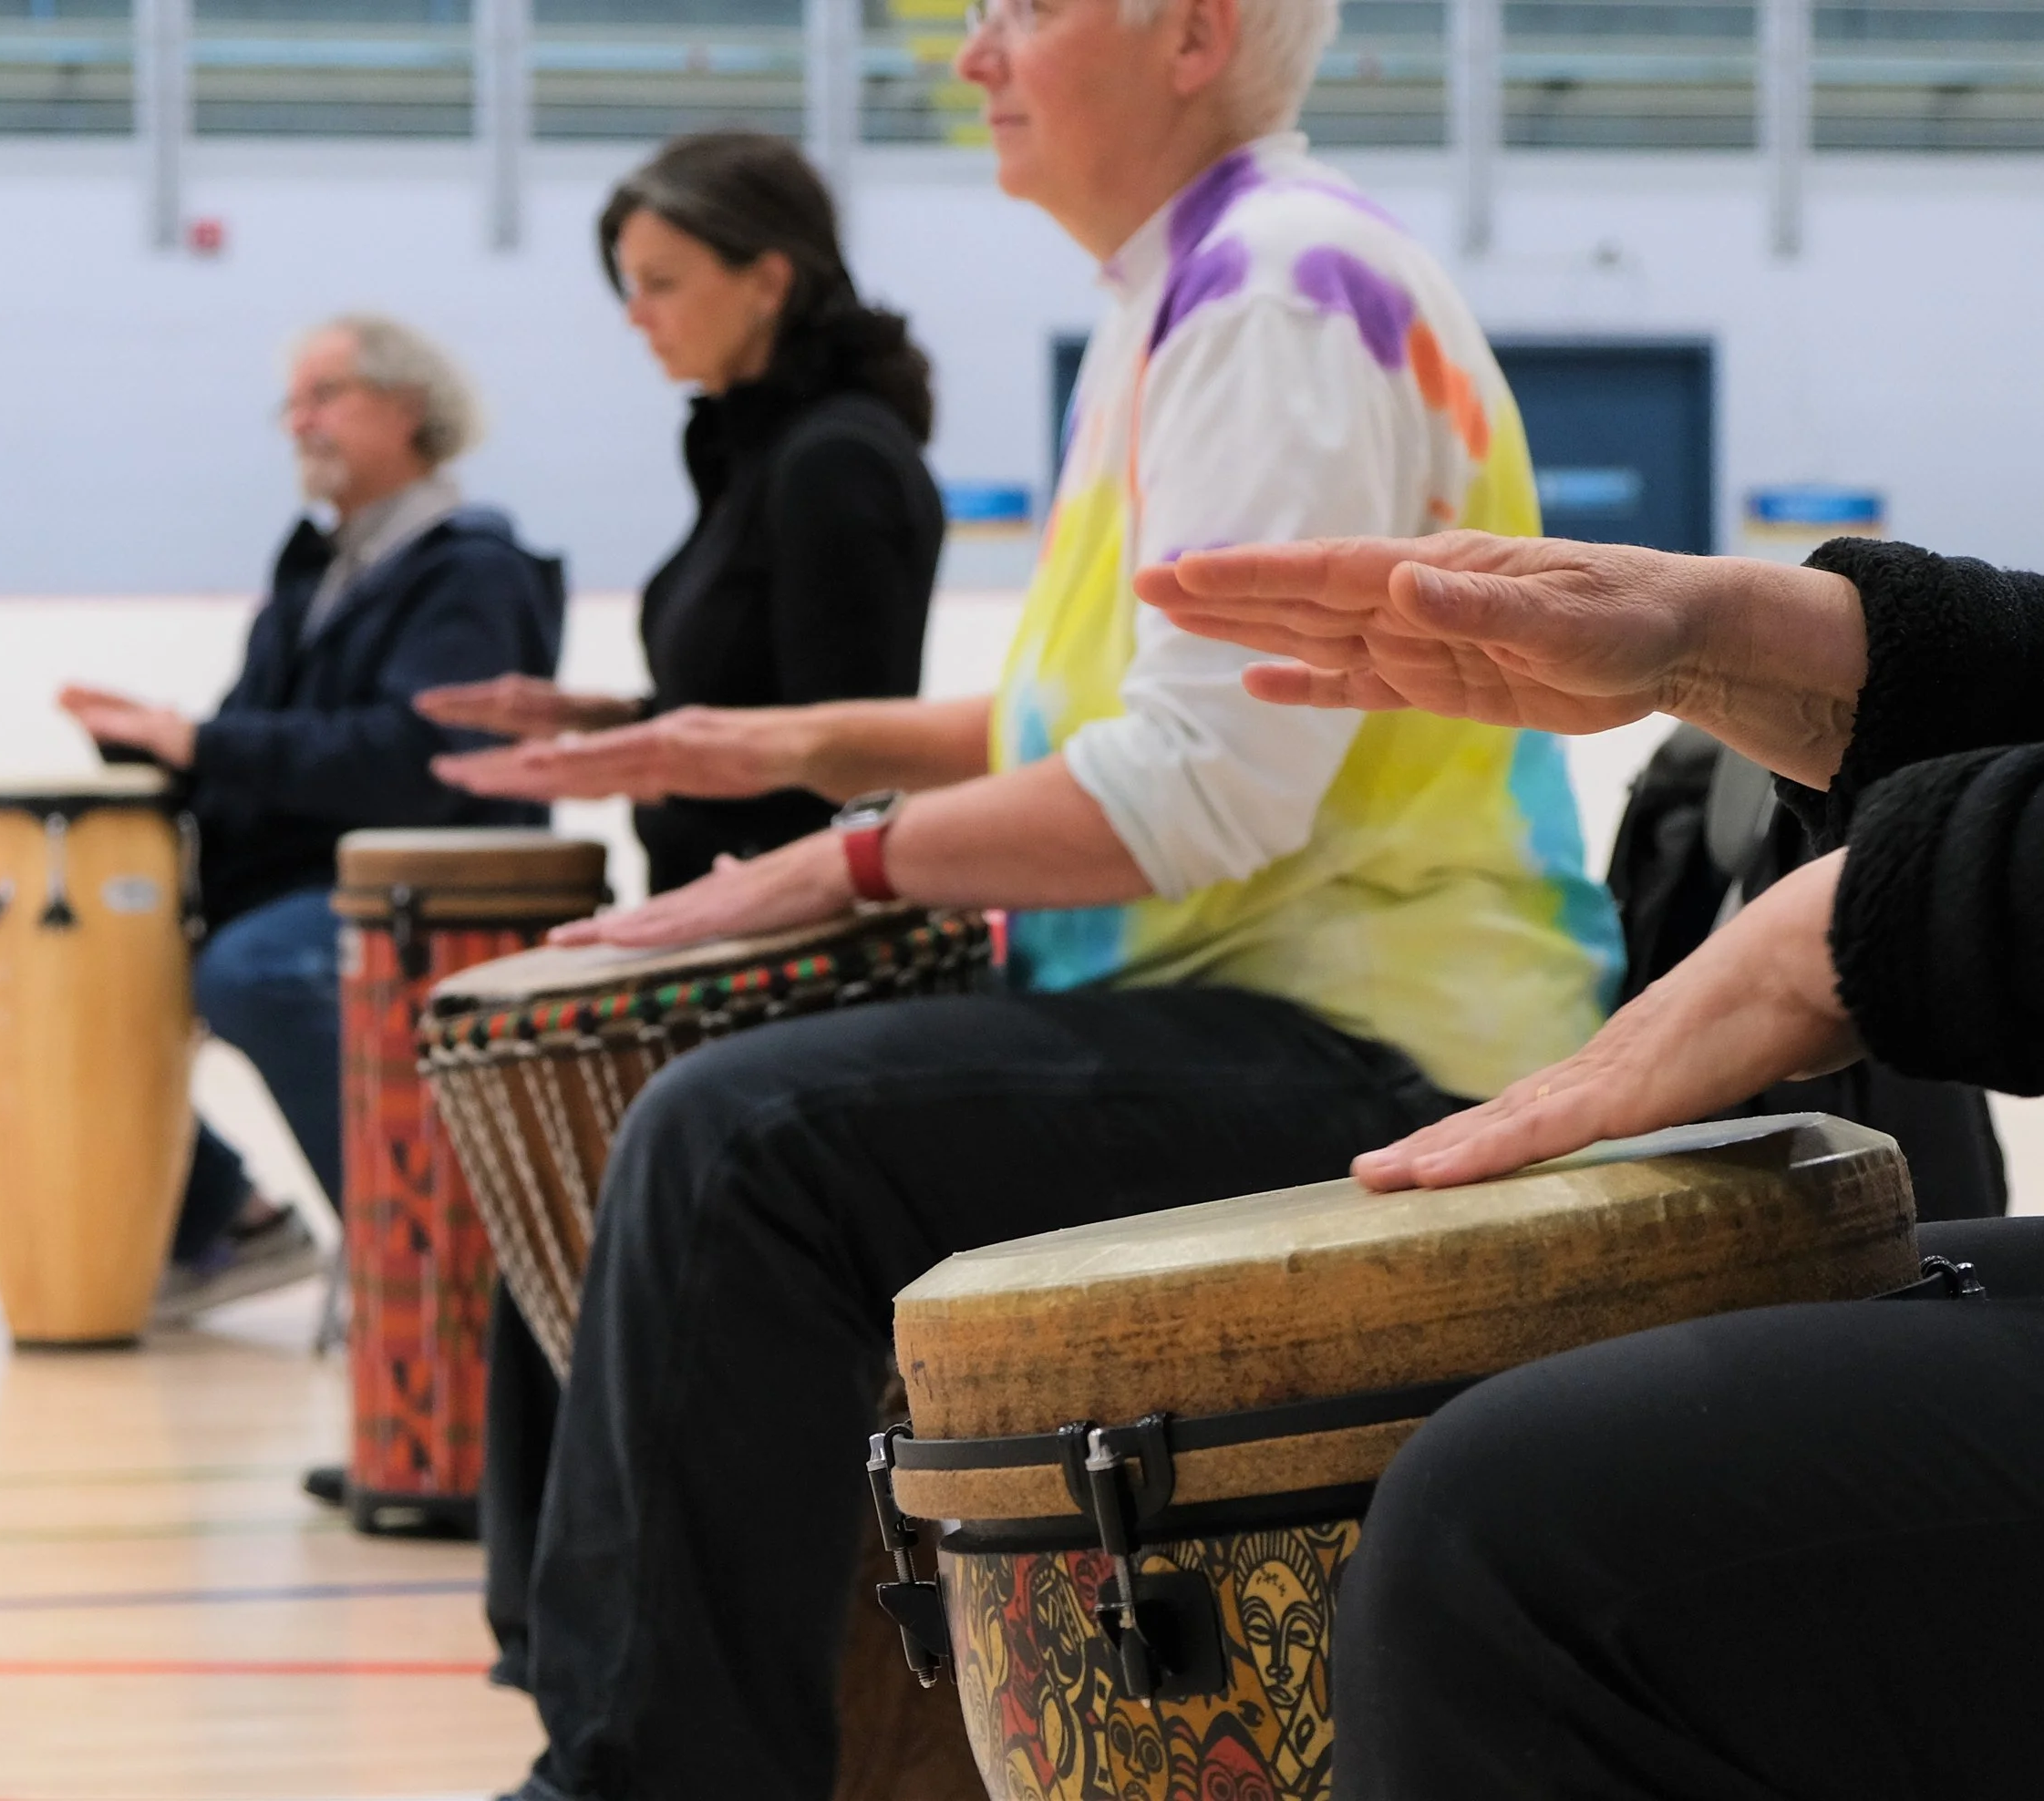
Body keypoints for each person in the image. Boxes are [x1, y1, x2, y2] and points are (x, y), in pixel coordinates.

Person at [430, 4, 1623, 1797]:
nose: (973, 53)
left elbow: (1199, 783)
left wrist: (819, 859)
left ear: (1191, 36)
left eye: (1022, 9)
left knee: (738, 1141)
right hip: (1267, 1003)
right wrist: (761, 741)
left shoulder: (1277, 297)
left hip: (1384, 1045)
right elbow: (1097, 717)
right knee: (735, 1122)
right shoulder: (1187, 290)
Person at [1141, 528, 2044, 1798]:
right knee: (1675, 1348)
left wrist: (1910, 902)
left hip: (1372, 1033)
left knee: (1509, 1537)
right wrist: (1754, 643)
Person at [59, 314, 565, 1323]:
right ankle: (229, 1217)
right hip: (315, 878)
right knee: (88, 970)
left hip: (430, 880)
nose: (298, 423)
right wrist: (156, 748)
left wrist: (201, 743)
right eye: (292, 402)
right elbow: (264, 740)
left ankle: (423, 1259)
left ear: (409, 408)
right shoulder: (315, 572)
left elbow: (414, 765)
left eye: (323, 396)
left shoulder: (470, 570)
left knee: (253, 971)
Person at [417, 131, 944, 898]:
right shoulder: (752, 451)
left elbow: (841, 755)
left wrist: (622, 759)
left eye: (660, 284)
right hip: (718, 903)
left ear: (767, 282)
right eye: (630, 288)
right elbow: (759, 707)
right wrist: (602, 722)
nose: (636, 317)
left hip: (778, 929)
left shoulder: (833, 463)